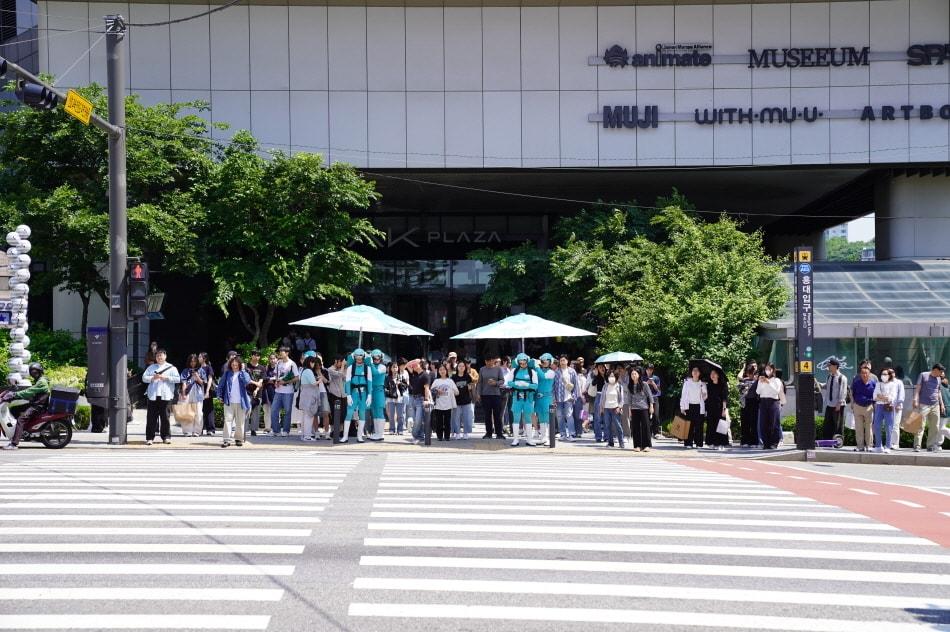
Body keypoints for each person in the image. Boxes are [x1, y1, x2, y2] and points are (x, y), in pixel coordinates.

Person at [1, 362, 51, 450]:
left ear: (39, 371)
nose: (33, 374)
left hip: (37, 406)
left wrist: (14, 395)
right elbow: (29, 390)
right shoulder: (40, 380)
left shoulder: (42, 382)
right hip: (35, 403)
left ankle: (14, 444)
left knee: (21, 419)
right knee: (14, 409)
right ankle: (20, 431)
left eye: (35, 372)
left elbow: (29, 391)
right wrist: (13, 390)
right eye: (32, 372)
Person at [142, 350, 180, 446]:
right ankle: (150, 438)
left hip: (166, 396)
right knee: (151, 418)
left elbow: (178, 379)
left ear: (165, 356)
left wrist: (166, 378)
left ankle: (166, 437)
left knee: (165, 418)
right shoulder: (151, 367)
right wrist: (152, 378)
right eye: (158, 356)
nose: (159, 357)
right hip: (153, 396)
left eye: (161, 355)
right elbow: (143, 378)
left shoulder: (171, 368)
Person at [215, 355, 250, 448]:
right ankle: (226, 439)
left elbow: (247, 381)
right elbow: (221, 385)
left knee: (240, 421)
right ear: (230, 364)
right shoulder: (227, 373)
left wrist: (242, 370)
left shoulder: (243, 373)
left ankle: (238, 439)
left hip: (241, 401)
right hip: (229, 401)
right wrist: (219, 396)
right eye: (233, 364)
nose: (234, 366)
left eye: (236, 364)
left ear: (239, 364)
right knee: (228, 420)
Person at [912, 363, 947, 452]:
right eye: (941, 372)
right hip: (924, 404)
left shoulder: (938, 379)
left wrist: (941, 404)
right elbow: (918, 388)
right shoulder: (923, 375)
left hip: (935, 405)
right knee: (921, 425)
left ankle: (930, 445)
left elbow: (938, 391)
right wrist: (915, 399)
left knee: (935, 426)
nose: (942, 374)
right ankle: (917, 445)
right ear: (935, 370)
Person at [507, 353, 539, 446]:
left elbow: (536, 386)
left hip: (528, 398)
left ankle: (529, 439)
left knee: (528, 418)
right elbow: (509, 383)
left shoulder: (532, 372)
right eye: (521, 361)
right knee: (516, 418)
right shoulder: (514, 371)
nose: (522, 362)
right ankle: (515, 439)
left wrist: (527, 385)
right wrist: (517, 384)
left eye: (524, 360)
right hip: (516, 397)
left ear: (527, 361)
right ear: (518, 361)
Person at [343, 348, 373, 443]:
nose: (359, 359)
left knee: (362, 414)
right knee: (349, 413)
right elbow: (347, 382)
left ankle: (359, 436)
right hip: (353, 393)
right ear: (354, 357)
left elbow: (369, 382)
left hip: (363, 394)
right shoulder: (350, 368)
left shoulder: (367, 368)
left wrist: (369, 395)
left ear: (363, 357)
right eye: (357, 357)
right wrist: (348, 395)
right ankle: (345, 436)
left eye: (360, 357)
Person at [270, 346, 299, 437]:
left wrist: (285, 381)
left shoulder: (292, 364)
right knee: (274, 410)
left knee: (287, 411)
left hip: (288, 391)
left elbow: (297, 378)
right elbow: (276, 375)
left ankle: (286, 430)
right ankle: (276, 430)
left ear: (287, 353)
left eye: (282, 352)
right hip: (278, 390)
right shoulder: (278, 363)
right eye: (280, 352)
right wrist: (275, 381)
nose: (280, 353)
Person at [756, 364, 786, 450]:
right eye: (766, 369)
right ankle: (766, 443)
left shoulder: (777, 380)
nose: (767, 371)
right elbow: (758, 391)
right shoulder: (761, 379)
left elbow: (776, 391)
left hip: (773, 402)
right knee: (763, 423)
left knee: (773, 423)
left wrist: (768, 382)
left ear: (773, 370)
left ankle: (774, 443)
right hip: (763, 402)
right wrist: (761, 383)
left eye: (769, 369)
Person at [478, 354, 506, 440]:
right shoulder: (482, 369)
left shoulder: (498, 369)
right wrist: (478, 393)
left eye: (490, 361)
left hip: (496, 394)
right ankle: (488, 433)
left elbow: (502, 380)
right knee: (487, 415)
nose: (489, 363)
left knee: (497, 415)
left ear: (493, 361)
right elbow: (480, 382)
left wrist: (495, 383)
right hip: (485, 395)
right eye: (487, 361)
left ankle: (499, 433)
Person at [850, 364, 877, 451]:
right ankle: (860, 446)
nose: (864, 375)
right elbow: (852, 393)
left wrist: (874, 405)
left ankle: (869, 446)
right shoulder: (856, 383)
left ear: (869, 374)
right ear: (860, 374)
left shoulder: (873, 383)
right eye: (862, 373)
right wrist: (852, 404)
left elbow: (876, 396)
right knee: (858, 428)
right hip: (857, 406)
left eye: (866, 373)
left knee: (869, 428)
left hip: (869, 407)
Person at [872, 368, 899, 453]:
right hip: (879, 406)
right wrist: (884, 397)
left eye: (885, 374)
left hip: (888, 407)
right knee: (876, 426)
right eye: (882, 374)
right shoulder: (878, 384)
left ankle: (887, 446)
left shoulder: (893, 385)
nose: (883, 376)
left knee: (889, 427)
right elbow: (874, 396)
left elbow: (891, 398)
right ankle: (878, 446)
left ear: (889, 375)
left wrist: (881, 397)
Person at [679, 366, 707, 449]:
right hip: (689, 406)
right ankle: (688, 443)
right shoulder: (687, 382)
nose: (695, 372)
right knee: (689, 426)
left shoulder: (702, 383)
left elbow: (705, 397)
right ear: (691, 373)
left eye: (697, 371)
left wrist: (703, 390)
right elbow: (683, 395)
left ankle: (699, 444)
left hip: (699, 406)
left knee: (699, 426)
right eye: (693, 371)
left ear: (699, 373)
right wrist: (682, 407)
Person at [820, 359, 848, 439]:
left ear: (835, 366)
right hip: (829, 404)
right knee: (828, 424)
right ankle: (827, 441)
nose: (828, 367)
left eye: (829, 365)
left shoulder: (842, 378)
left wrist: (839, 403)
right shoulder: (829, 376)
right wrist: (820, 385)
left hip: (838, 405)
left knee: (838, 424)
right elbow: (828, 386)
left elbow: (843, 392)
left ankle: (838, 441)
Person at [178, 354, 206, 437]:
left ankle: (197, 431)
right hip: (188, 392)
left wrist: (197, 377)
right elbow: (183, 383)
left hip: (198, 393)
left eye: (194, 361)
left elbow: (203, 383)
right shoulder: (185, 371)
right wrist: (183, 394)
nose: (193, 363)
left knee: (199, 413)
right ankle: (187, 431)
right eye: (191, 361)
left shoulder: (201, 370)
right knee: (187, 412)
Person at [553, 355, 579, 441]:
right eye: (561, 360)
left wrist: (574, 396)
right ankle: (563, 434)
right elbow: (553, 386)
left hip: (569, 397)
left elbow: (576, 385)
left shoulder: (572, 371)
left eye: (564, 360)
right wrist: (554, 398)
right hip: (559, 397)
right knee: (560, 416)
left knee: (569, 415)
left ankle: (571, 434)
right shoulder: (556, 372)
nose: (562, 362)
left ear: (567, 361)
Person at [627, 366, 653, 451]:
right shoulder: (630, 385)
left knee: (646, 427)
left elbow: (650, 396)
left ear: (639, 375)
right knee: (635, 427)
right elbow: (629, 398)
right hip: (634, 409)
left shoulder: (644, 384)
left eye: (635, 373)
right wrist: (629, 410)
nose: (633, 375)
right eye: (632, 374)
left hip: (644, 408)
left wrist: (651, 406)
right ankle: (637, 445)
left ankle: (646, 445)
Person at [431, 364, 459, 441]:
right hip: (438, 404)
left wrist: (451, 390)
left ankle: (447, 436)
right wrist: (437, 390)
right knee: (439, 421)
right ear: (438, 371)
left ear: (446, 371)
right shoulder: (436, 381)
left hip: (448, 404)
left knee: (447, 421)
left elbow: (457, 392)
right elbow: (431, 391)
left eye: (443, 369)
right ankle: (439, 436)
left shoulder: (450, 381)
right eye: (440, 370)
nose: (442, 371)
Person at [533, 353, 556, 445]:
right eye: (543, 360)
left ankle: (549, 438)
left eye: (547, 360)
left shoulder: (551, 372)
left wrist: (537, 367)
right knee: (541, 418)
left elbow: (543, 376)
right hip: (538, 397)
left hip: (547, 397)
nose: (545, 362)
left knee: (547, 418)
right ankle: (543, 437)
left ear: (550, 362)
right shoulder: (538, 370)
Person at [408, 359, 433, 444]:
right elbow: (407, 365)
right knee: (417, 420)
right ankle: (420, 437)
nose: (414, 365)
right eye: (414, 364)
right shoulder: (415, 374)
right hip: (413, 399)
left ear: (421, 365)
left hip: (421, 399)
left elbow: (426, 388)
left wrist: (426, 400)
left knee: (418, 420)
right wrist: (415, 360)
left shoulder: (425, 375)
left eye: (416, 364)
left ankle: (415, 435)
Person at [600, 369, 625, 449]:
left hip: (615, 408)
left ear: (616, 377)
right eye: (610, 376)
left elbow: (622, 399)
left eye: (613, 376)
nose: (611, 378)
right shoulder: (605, 386)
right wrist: (601, 407)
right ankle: (610, 443)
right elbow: (602, 397)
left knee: (618, 426)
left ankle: (621, 442)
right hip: (606, 408)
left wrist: (619, 407)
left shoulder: (619, 386)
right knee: (607, 426)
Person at [705, 368, 729, 450]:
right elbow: (706, 398)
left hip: (720, 408)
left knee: (720, 425)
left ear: (718, 375)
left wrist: (724, 409)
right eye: (711, 373)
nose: (712, 375)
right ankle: (711, 442)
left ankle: (721, 443)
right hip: (710, 408)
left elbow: (724, 398)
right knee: (711, 425)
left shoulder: (723, 385)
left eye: (714, 373)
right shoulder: (708, 385)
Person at [297, 355, 320, 441]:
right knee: (309, 415)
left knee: (305, 415)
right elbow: (313, 383)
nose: (314, 364)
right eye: (313, 362)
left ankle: (304, 435)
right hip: (309, 394)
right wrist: (320, 380)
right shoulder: (309, 371)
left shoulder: (303, 370)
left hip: (304, 393)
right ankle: (307, 435)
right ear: (310, 362)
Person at [451, 360, 475, 440]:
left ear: (465, 367)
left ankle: (465, 433)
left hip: (466, 400)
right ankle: (457, 433)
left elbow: (472, 385)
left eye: (463, 366)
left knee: (466, 418)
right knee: (456, 418)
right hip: (456, 401)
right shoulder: (453, 377)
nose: (461, 367)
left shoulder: (468, 376)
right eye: (460, 366)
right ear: (457, 367)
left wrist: (471, 388)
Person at [244, 350, 266, 437]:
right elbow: (246, 378)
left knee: (256, 412)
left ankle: (253, 430)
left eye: (258, 355)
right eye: (254, 355)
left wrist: (256, 389)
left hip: (258, 392)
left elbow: (261, 380)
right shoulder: (246, 366)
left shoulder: (262, 368)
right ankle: (244, 429)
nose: (256, 357)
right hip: (247, 392)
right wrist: (254, 383)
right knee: (246, 410)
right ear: (251, 356)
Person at [367, 349, 388, 442]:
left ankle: (380, 434)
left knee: (379, 411)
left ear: (381, 357)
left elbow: (375, 373)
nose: (376, 359)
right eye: (374, 357)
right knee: (374, 412)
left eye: (378, 357)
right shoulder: (371, 366)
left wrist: (370, 363)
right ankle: (377, 433)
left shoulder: (382, 366)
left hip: (379, 390)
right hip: (372, 390)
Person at [738, 363, 760, 447]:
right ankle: (745, 441)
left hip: (754, 402)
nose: (751, 374)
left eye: (752, 372)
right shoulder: (743, 381)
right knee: (745, 422)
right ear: (747, 373)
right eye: (749, 372)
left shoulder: (757, 382)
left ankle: (754, 441)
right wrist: (743, 368)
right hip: (745, 403)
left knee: (753, 423)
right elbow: (739, 377)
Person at [385, 362, 408, 435]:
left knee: (400, 415)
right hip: (390, 398)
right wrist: (389, 393)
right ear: (390, 369)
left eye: (396, 367)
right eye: (393, 367)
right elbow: (385, 388)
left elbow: (405, 386)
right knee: (391, 415)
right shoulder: (388, 377)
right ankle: (392, 429)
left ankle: (400, 429)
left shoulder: (401, 377)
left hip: (400, 398)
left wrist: (400, 384)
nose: (395, 369)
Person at [198, 352, 216, 436]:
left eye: (200, 357)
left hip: (206, 390)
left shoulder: (209, 368)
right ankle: (199, 428)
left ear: (204, 358)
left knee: (209, 410)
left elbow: (210, 379)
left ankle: (210, 429)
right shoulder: (197, 368)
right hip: (198, 391)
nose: (198, 358)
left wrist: (207, 391)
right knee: (199, 410)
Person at [644, 364, 662, 439]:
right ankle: (647, 432)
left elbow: (658, 390)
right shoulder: (642, 378)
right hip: (645, 398)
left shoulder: (656, 378)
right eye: (648, 369)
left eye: (651, 369)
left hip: (654, 397)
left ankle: (656, 432)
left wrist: (653, 383)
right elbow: (641, 389)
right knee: (646, 416)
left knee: (656, 415)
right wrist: (647, 383)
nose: (649, 371)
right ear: (646, 370)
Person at [590, 364, 607, 442]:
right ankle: (598, 436)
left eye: (603, 367)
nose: (602, 369)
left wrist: (605, 376)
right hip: (599, 395)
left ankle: (607, 436)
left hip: (607, 396)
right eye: (600, 367)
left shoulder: (608, 375)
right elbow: (593, 383)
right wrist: (597, 375)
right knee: (597, 418)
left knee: (606, 418)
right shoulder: (596, 376)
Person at [572, 360, 588, 437]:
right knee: (572, 415)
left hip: (579, 397)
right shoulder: (571, 376)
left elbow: (584, 388)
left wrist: (582, 396)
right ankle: (575, 431)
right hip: (572, 397)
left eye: (573, 366)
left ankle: (579, 431)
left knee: (579, 415)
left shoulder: (581, 377)